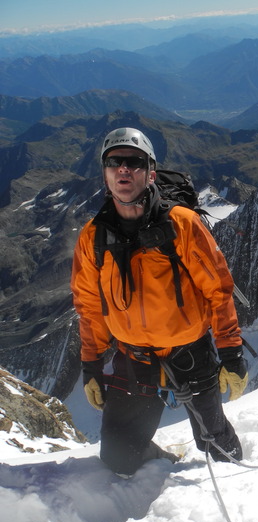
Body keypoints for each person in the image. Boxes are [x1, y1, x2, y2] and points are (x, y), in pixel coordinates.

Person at [71, 127, 247, 477]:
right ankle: (161, 464)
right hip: (133, 356)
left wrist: (231, 353)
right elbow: (90, 306)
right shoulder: (93, 237)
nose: (124, 170)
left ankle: (236, 482)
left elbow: (218, 290)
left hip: (190, 353)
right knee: (119, 457)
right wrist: (91, 365)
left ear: (150, 172)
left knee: (218, 445)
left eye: (134, 162)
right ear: (105, 174)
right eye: (114, 162)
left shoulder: (182, 224)